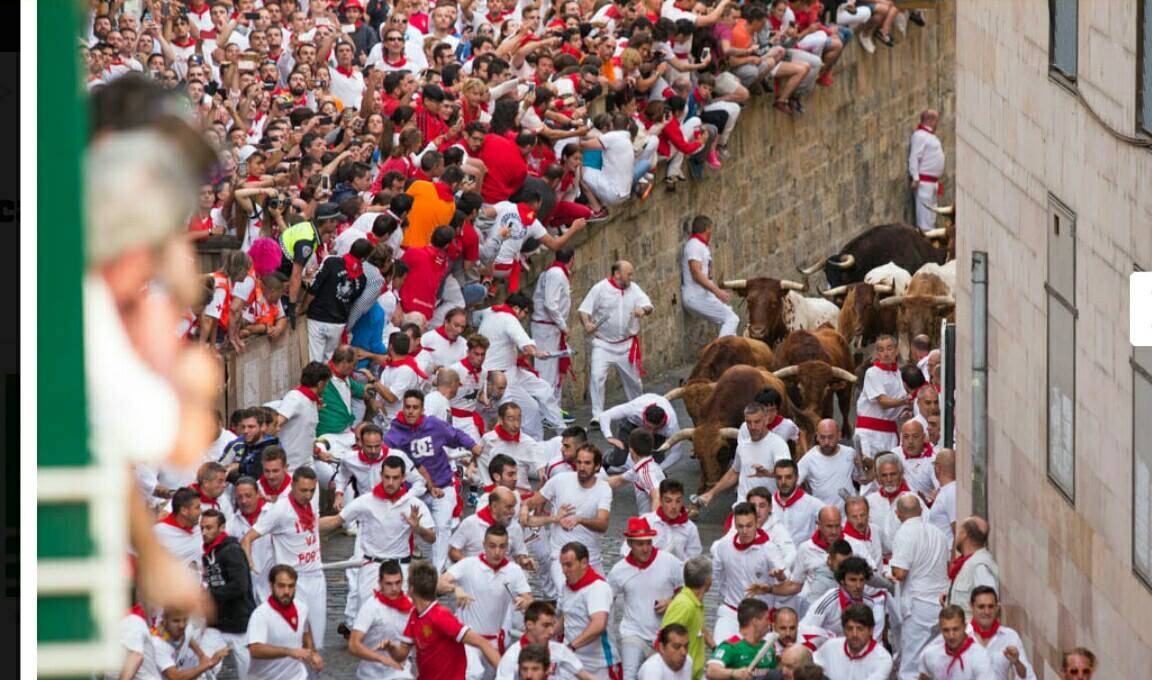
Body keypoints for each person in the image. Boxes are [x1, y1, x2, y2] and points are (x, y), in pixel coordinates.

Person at [383, 390, 484, 570]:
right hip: (413, 491)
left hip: (443, 486)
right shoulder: (393, 435)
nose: (411, 411)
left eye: (415, 408)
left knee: (442, 527)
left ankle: (438, 571)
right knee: (404, 527)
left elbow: (456, 435)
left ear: (422, 409)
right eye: (407, 407)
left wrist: (472, 445)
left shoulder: (435, 425)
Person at [241, 467, 329, 650]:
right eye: (303, 490)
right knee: (296, 639)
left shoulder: (312, 503)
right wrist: (249, 561)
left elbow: (315, 525)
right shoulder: (279, 510)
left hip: (316, 577)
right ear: (293, 486)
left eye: (312, 490)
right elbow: (248, 537)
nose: (308, 495)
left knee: (318, 642)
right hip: (293, 581)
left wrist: (345, 516)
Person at [378, 560, 503, 679]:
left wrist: (505, 675)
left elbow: (482, 642)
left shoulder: (441, 616)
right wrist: (390, 647)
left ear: (411, 589)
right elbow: (401, 655)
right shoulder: (414, 616)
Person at [438, 524, 533, 679]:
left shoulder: (514, 570)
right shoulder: (469, 564)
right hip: (469, 639)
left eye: (502, 547)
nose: (497, 552)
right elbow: (439, 583)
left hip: (495, 641)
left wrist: (525, 601)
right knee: (474, 674)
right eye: (492, 546)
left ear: (507, 547)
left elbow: (530, 598)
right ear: (484, 545)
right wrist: (455, 589)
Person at [524, 444, 613, 589]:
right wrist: (524, 510)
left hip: (592, 559)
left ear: (597, 467)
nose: (582, 467)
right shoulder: (560, 481)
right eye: (579, 462)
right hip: (561, 558)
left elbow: (603, 524)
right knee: (568, 598)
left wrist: (580, 520)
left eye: (587, 463)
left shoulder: (603, 489)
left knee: (604, 603)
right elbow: (531, 503)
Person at [608, 517, 685, 680]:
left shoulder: (669, 562)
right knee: (629, 676)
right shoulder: (618, 570)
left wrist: (671, 602)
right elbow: (607, 601)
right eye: (640, 544)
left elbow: (687, 591)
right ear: (629, 543)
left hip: (665, 636)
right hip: (633, 633)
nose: (645, 549)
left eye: (648, 542)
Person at [478, 292, 566, 432]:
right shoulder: (509, 319)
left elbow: (475, 317)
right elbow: (525, 343)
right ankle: (536, 441)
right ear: (516, 308)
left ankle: (562, 431)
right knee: (531, 408)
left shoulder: (489, 311)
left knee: (544, 390)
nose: (525, 317)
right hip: (502, 377)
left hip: (511, 369)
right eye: (525, 313)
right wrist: (536, 353)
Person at [578, 261, 654, 423]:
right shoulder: (600, 288)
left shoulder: (633, 288)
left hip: (626, 345)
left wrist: (643, 310)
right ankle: (597, 415)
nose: (631, 277)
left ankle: (638, 410)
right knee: (597, 377)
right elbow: (584, 310)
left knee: (634, 382)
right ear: (617, 274)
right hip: (603, 344)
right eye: (629, 274)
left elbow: (648, 305)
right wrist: (587, 324)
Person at [887, 495, 950, 680]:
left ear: (898, 514)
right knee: (937, 659)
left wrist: (888, 570)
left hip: (918, 606)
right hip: (940, 604)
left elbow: (900, 573)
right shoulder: (938, 533)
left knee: (912, 664)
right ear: (921, 511)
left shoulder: (904, 533)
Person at [710, 502, 789, 642]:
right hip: (732, 612)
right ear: (734, 524)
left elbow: (786, 580)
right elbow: (717, 575)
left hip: (760, 618)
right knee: (720, 650)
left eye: (749, 525)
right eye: (740, 526)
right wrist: (725, 594)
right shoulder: (723, 547)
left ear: (757, 522)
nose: (745, 531)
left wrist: (780, 576)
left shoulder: (769, 549)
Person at [696, 403, 791, 507]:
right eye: (749, 422)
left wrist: (767, 474)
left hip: (767, 509)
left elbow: (787, 475)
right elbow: (734, 473)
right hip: (742, 508)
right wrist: (711, 493)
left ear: (766, 420)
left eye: (757, 422)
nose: (752, 427)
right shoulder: (742, 446)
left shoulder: (779, 445)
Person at [201, 508, 255, 679]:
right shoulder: (204, 552)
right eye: (202, 528)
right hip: (216, 623)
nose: (204, 532)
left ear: (221, 528)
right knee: (204, 668)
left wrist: (210, 595)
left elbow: (240, 585)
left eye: (209, 528)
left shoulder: (232, 550)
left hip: (239, 622)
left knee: (248, 673)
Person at [246, 565, 324, 679]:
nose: (286, 591)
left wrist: (313, 652)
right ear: (271, 586)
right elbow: (255, 650)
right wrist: (289, 652)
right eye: (281, 586)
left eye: (291, 586)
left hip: (297, 676)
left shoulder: (302, 608)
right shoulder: (261, 614)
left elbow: (306, 631)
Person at [301, 237, 371, 362]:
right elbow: (351, 300)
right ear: (364, 258)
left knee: (315, 359)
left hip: (318, 318)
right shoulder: (362, 279)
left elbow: (314, 288)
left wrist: (303, 308)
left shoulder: (331, 262)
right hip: (338, 323)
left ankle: (315, 380)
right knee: (329, 360)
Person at [558, 541, 620, 680]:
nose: (564, 570)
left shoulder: (598, 588)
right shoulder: (567, 586)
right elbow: (567, 616)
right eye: (562, 565)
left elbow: (598, 625)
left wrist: (571, 647)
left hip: (599, 666)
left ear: (584, 563)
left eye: (569, 565)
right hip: (571, 663)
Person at [348, 560, 415, 679]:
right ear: (380, 583)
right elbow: (353, 645)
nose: (394, 588)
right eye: (389, 584)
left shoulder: (410, 605)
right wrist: (383, 659)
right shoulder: (371, 607)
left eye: (398, 583)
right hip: (372, 675)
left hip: (401, 672)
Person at [495, 601, 595, 680]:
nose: (552, 632)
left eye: (552, 625)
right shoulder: (512, 656)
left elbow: (586, 677)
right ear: (529, 625)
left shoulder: (560, 650)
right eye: (546, 626)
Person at [798, 557, 887, 645]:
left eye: (861, 580)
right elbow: (805, 628)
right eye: (853, 580)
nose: (858, 585)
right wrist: (829, 639)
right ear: (842, 581)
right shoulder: (830, 599)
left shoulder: (869, 603)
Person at [680, 215, 739, 338]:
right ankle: (721, 352)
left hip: (703, 295)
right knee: (731, 319)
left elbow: (705, 275)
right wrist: (717, 291)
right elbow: (696, 274)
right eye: (711, 228)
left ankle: (733, 352)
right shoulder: (694, 245)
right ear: (707, 229)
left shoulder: (700, 245)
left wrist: (718, 292)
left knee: (730, 320)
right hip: (695, 297)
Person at [530, 248, 575, 402]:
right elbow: (550, 304)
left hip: (550, 328)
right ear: (572, 260)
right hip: (546, 329)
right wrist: (563, 325)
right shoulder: (556, 274)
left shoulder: (553, 272)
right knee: (546, 373)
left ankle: (553, 409)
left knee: (553, 372)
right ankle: (546, 412)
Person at [853, 335, 908, 459]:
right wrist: (905, 402)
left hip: (889, 433)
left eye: (889, 349)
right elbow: (883, 401)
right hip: (868, 433)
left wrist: (905, 410)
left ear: (897, 350)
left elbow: (899, 402)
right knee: (868, 472)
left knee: (889, 472)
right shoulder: (872, 373)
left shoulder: (898, 374)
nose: (886, 353)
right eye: (881, 350)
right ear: (877, 354)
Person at [597, 394, 685, 471]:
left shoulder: (671, 426)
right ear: (644, 418)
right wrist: (609, 437)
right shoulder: (634, 409)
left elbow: (677, 452)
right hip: (632, 424)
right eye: (649, 427)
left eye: (656, 428)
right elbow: (605, 415)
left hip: (658, 436)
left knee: (655, 463)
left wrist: (660, 469)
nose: (651, 432)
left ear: (663, 423)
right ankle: (607, 458)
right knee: (619, 460)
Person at [273, 361, 332, 471]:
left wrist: (318, 452)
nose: (326, 388)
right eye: (326, 384)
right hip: (290, 467)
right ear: (320, 384)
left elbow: (307, 433)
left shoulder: (312, 401)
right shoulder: (295, 398)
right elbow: (276, 424)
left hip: (306, 465)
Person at [662, 555, 714, 680]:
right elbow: (665, 639)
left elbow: (698, 627)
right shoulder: (685, 606)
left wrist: (715, 647)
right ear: (708, 582)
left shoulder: (693, 602)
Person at [137, 608, 227, 680]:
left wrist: (201, 655)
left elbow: (187, 637)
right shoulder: (157, 644)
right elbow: (176, 677)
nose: (181, 625)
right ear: (164, 621)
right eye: (176, 621)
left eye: (185, 620)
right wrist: (209, 663)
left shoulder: (184, 629)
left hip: (176, 667)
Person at [968, 586, 1036, 680]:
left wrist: (1017, 663)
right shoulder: (960, 635)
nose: (987, 612)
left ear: (997, 608)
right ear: (971, 607)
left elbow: (1028, 677)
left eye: (991, 606)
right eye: (981, 607)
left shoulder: (1010, 636)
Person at [797, 419, 865, 510]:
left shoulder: (850, 453)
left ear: (839, 435)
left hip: (848, 516)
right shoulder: (808, 459)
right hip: (824, 517)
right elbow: (792, 485)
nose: (826, 442)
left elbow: (863, 480)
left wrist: (867, 464)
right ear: (817, 436)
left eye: (830, 437)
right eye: (822, 437)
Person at [810, 604, 892, 679]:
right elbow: (808, 666)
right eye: (849, 628)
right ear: (844, 630)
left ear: (871, 630)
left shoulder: (882, 659)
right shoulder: (831, 647)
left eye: (860, 629)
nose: (854, 634)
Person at [705, 598, 778, 678]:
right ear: (755, 621)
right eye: (766, 619)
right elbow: (711, 671)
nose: (770, 623)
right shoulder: (730, 647)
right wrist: (734, 673)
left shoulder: (768, 648)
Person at [229, 476, 274, 602]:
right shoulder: (231, 524)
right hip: (247, 591)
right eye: (239, 497)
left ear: (258, 494)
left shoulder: (274, 514)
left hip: (274, 586)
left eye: (248, 496)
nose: (244, 501)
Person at [946, 516, 999, 620]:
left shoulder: (980, 566)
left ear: (964, 534)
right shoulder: (967, 563)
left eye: (958, 531)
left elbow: (987, 606)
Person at [917, 606, 991, 679]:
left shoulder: (980, 656)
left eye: (956, 629)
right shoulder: (930, 654)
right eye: (946, 630)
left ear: (965, 627)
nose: (951, 635)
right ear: (940, 629)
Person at [606, 430, 665, 515]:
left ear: (631, 450)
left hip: (649, 524)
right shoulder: (643, 467)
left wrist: (653, 522)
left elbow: (657, 495)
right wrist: (589, 480)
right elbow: (618, 481)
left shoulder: (646, 473)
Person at [643, 479, 704, 561]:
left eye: (678, 501)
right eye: (668, 501)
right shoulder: (647, 522)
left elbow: (694, 561)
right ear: (660, 500)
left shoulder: (690, 528)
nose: (674, 506)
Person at [771, 460, 824, 548]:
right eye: (779, 477)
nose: (783, 482)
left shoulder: (812, 504)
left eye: (788, 477)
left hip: (803, 559)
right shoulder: (767, 504)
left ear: (797, 478)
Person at [909, 109, 944, 233]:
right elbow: (914, 157)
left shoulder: (929, 136)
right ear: (930, 120)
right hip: (924, 183)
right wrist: (915, 178)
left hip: (932, 183)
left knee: (931, 216)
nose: (937, 124)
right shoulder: (920, 135)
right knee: (924, 218)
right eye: (936, 121)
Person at [154, 487, 203, 575]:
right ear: (184, 510)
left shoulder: (202, 526)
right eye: (197, 508)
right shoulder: (158, 532)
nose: (201, 511)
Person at [423, 307, 471, 372]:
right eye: (456, 325)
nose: (459, 331)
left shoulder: (464, 344)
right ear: (446, 322)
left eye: (462, 327)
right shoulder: (427, 338)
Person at [928, 449, 957, 546]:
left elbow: (956, 530)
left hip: (947, 557)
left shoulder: (951, 491)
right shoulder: (946, 491)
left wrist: (954, 561)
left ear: (937, 468)